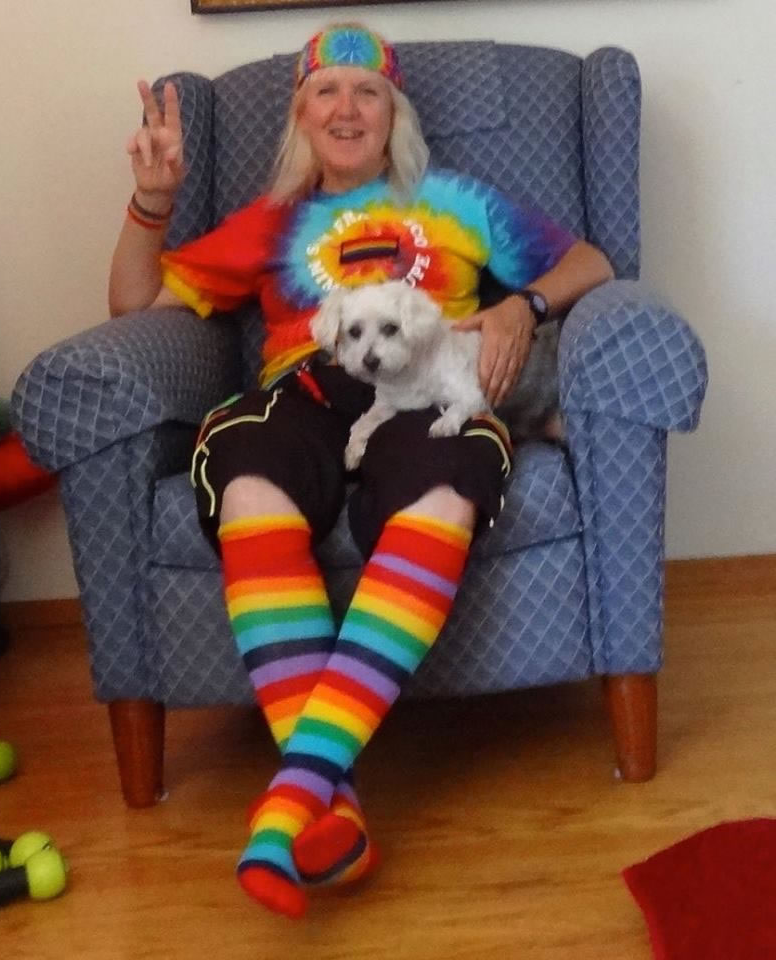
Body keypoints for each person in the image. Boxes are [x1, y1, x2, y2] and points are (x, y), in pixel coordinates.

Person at [109, 23, 614, 919]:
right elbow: (132, 305)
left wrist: (523, 308)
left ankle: (291, 802)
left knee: (448, 483)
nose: (347, 108)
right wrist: (152, 201)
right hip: (302, 391)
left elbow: (593, 261)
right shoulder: (268, 222)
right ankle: (326, 804)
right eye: (326, 91)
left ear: (394, 114)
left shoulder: (453, 200)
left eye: (367, 91)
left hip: (425, 387)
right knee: (245, 474)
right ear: (300, 115)